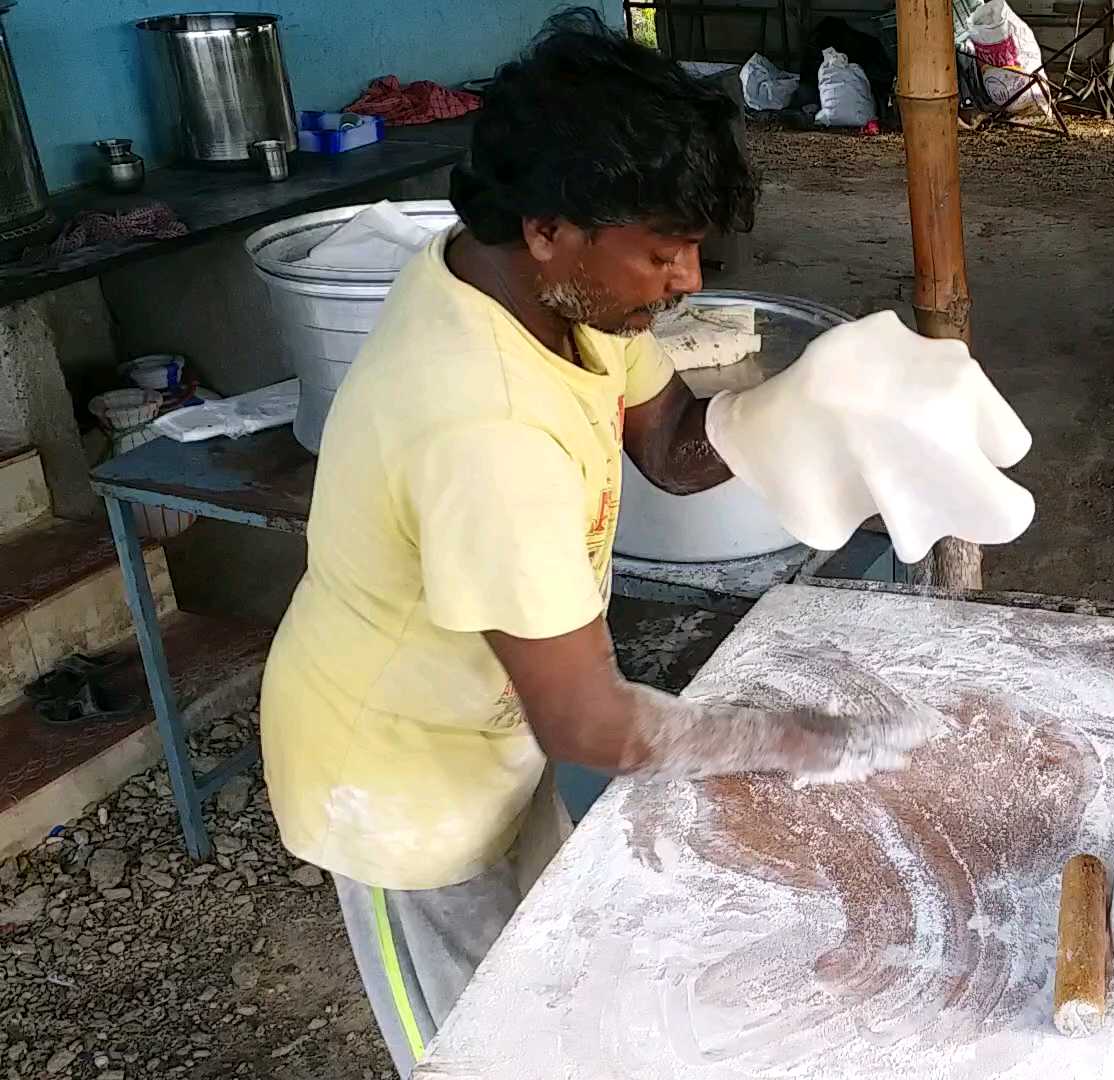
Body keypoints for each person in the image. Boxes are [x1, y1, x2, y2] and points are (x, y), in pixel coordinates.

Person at [258, 11, 934, 1076]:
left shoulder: (543, 294)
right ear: (547, 227)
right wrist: (788, 736)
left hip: (491, 728)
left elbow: (666, 444)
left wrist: (810, 410)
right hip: (397, 787)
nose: (687, 282)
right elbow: (591, 725)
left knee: (543, 988)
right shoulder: (484, 426)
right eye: (662, 253)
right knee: (475, 1050)